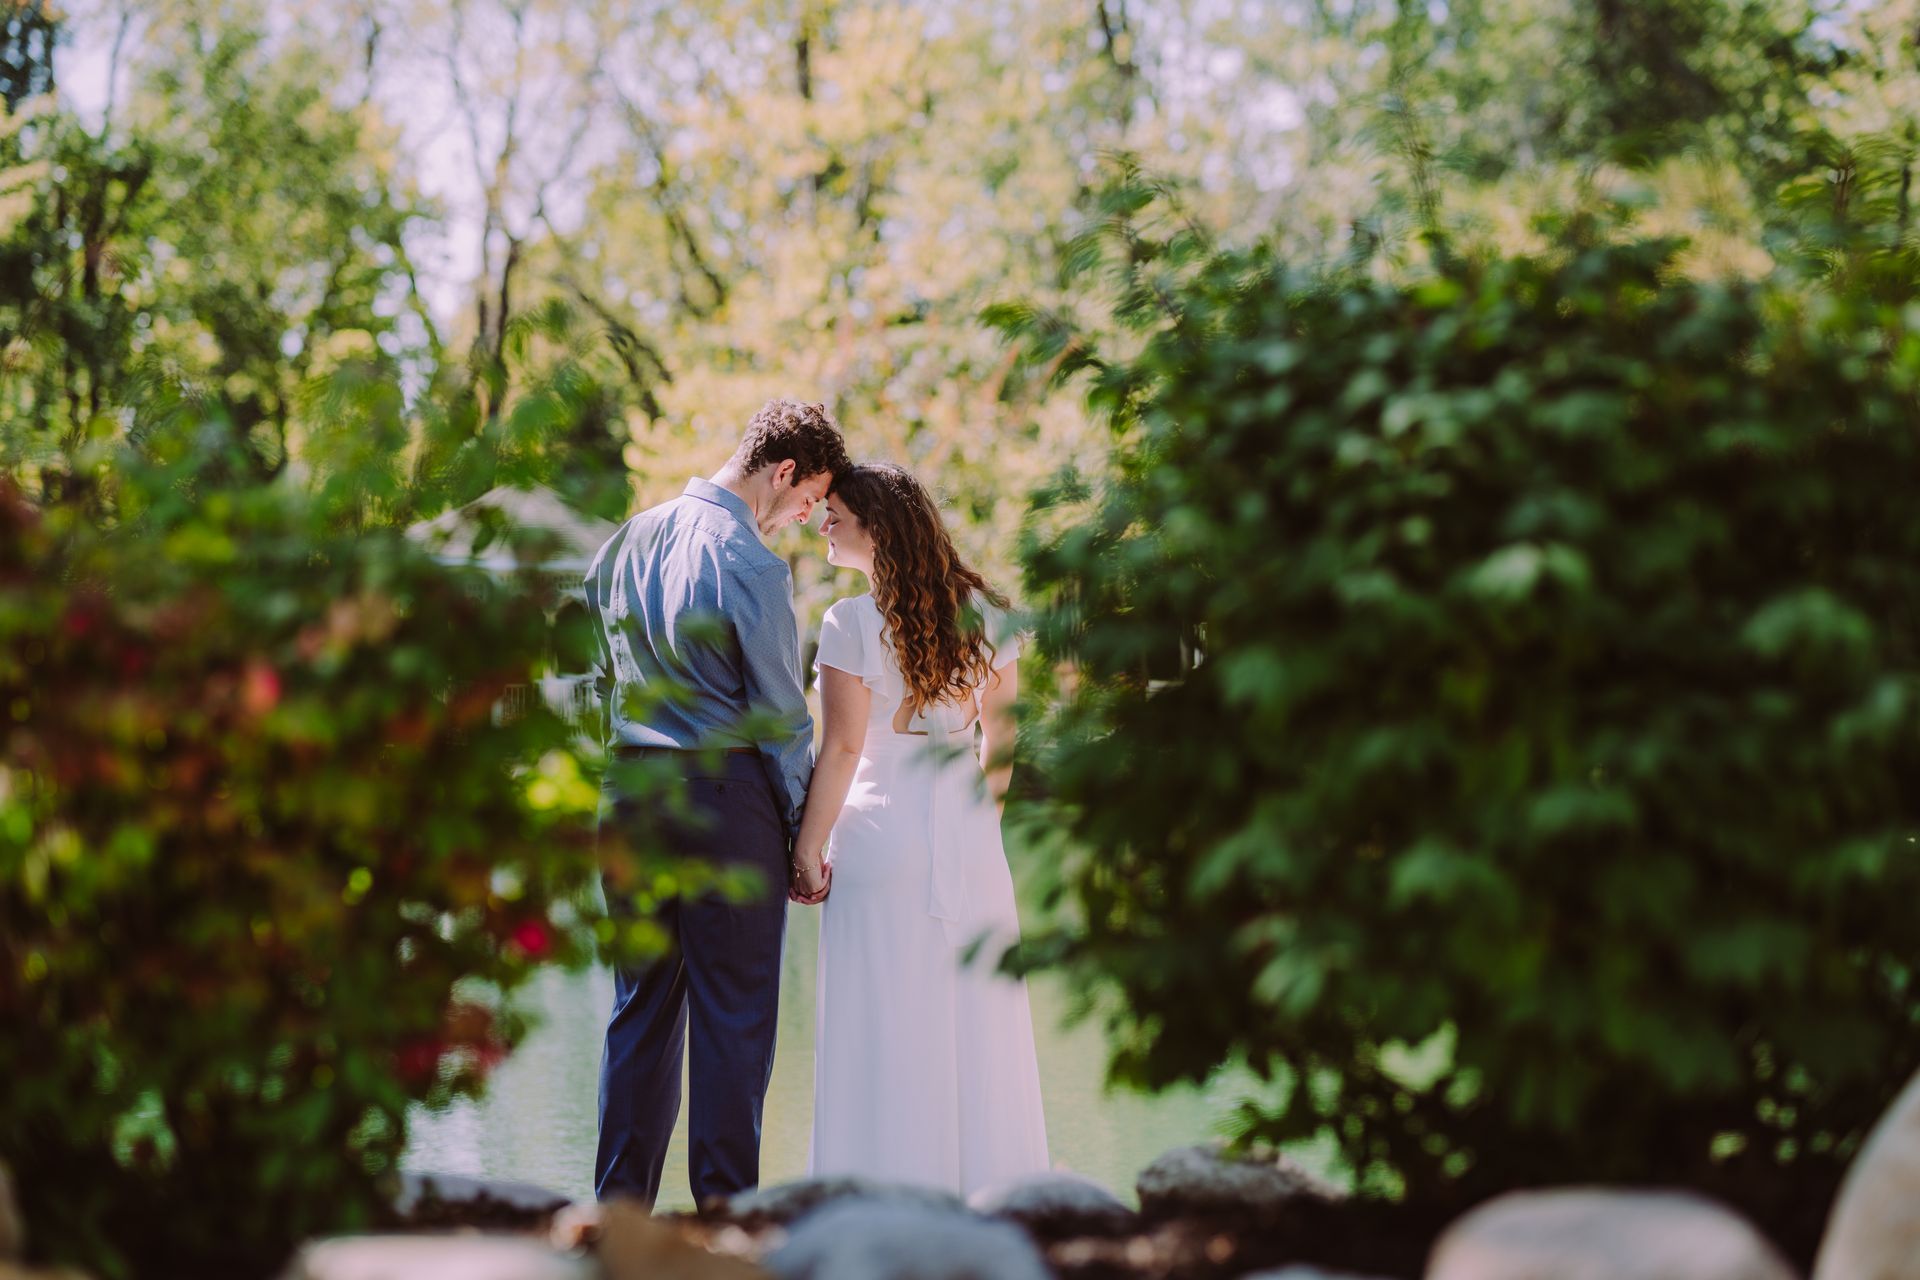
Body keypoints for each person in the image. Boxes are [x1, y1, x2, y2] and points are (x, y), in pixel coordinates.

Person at [584, 398, 849, 1207]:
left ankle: (616, 1217)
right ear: (784, 472)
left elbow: (597, 665)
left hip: (628, 792)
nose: (807, 517)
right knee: (733, 1023)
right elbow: (780, 719)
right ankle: (728, 1219)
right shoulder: (751, 563)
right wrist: (806, 837)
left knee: (640, 1013)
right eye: (811, 500)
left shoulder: (623, 542)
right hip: (722, 801)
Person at [794, 462, 1050, 1196]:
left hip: (877, 828)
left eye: (836, 513)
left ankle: (873, 1196)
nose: (822, 523)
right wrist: (979, 822)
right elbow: (1001, 742)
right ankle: (986, 1197)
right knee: (976, 1021)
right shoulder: (989, 615)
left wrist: (806, 849)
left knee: (879, 1023)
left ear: (877, 526)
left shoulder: (850, 621)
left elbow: (841, 750)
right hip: (967, 833)